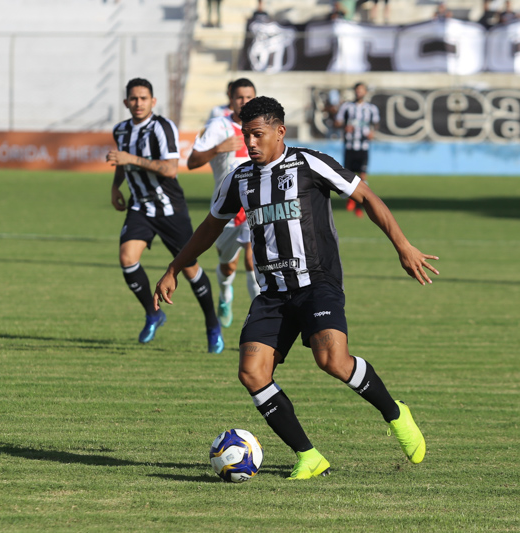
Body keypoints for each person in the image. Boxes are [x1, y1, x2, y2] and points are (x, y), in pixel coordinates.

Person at [154, 96, 438, 479]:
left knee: (332, 360)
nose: (250, 143)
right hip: (272, 293)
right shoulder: (239, 179)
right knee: (252, 372)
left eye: (257, 135)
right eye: (245, 135)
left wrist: (403, 246)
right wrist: (175, 266)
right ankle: (309, 455)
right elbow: (209, 227)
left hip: (316, 283)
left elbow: (366, 196)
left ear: (279, 132)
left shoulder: (309, 163)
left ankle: (395, 413)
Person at [107, 78, 223, 353]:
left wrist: (130, 160)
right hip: (140, 208)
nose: (138, 103)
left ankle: (212, 325)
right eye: (133, 99)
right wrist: (115, 186)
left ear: (153, 101)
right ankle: (153, 313)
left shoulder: (162, 127)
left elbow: (171, 169)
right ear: (126, 102)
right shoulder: (120, 130)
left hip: (170, 209)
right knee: (127, 258)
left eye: (143, 98)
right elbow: (121, 162)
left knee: (191, 269)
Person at [187, 78, 259, 329]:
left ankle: (259, 320)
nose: (244, 102)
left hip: (255, 207)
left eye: (249, 97)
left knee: (254, 260)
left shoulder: (263, 126)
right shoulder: (218, 126)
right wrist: (219, 148)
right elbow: (192, 161)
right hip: (225, 209)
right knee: (227, 266)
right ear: (230, 98)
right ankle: (225, 294)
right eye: (240, 97)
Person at [334, 82, 379, 218]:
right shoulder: (347, 107)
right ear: (355, 91)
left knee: (362, 177)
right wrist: (344, 127)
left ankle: (359, 206)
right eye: (357, 90)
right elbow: (337, 122)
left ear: (365, 92)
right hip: (349, 146)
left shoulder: (371, 108)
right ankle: (351, 199)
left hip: (363, 147)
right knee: (348, 176)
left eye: (362, 90)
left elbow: (376, 124)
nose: (359, 92)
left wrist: (372, 132)